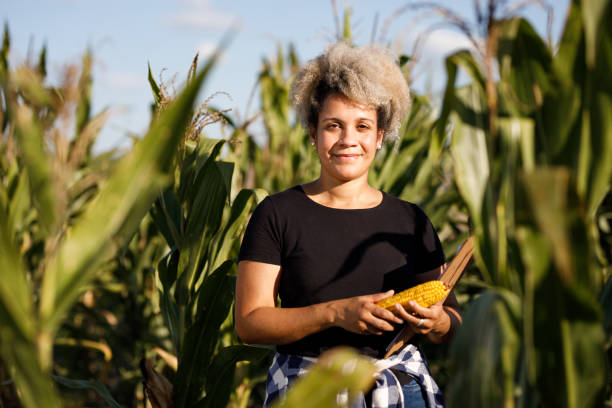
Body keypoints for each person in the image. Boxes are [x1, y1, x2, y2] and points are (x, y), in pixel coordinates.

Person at [234, 41, 461, 408]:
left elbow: (452, 321)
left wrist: (436, 323)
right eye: (333, 126)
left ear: (379, 136)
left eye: (362, 126)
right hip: (309, 390)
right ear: (312, 133)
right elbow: (250, 322)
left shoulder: (410, 221)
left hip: (400, 388)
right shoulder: (277, 214)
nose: (348, 140)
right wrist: (336, 314)